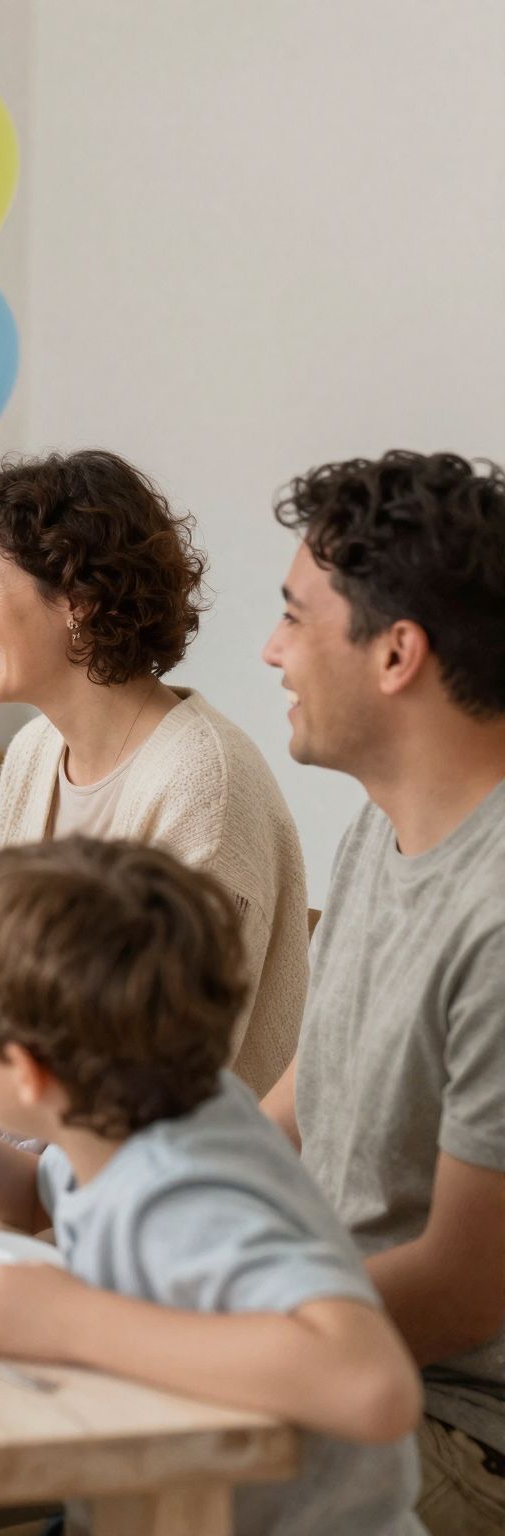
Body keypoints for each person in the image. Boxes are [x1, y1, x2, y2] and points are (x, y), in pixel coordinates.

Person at [0, 839, 420, 1536]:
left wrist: (72, 1321)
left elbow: (371, 1386)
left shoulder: (189, 1189)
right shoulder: (139, 1121)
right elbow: (42, 1200)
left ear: (26, 1072)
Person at [259, 451, 505, 1536]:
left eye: (291, 619)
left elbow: (464, 1284)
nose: (269, 653)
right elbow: (309, 1090)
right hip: (329, 1350)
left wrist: (201, 1328)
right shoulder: (382, 823)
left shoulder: (496, 914)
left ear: (395, 653)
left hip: (450, 1429)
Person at [0, 449, 308, 1096]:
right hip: (44, 1138)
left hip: (156, 1170)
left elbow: (170, 1073)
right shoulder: (33, 753)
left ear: (77, 597)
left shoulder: (204, 783)